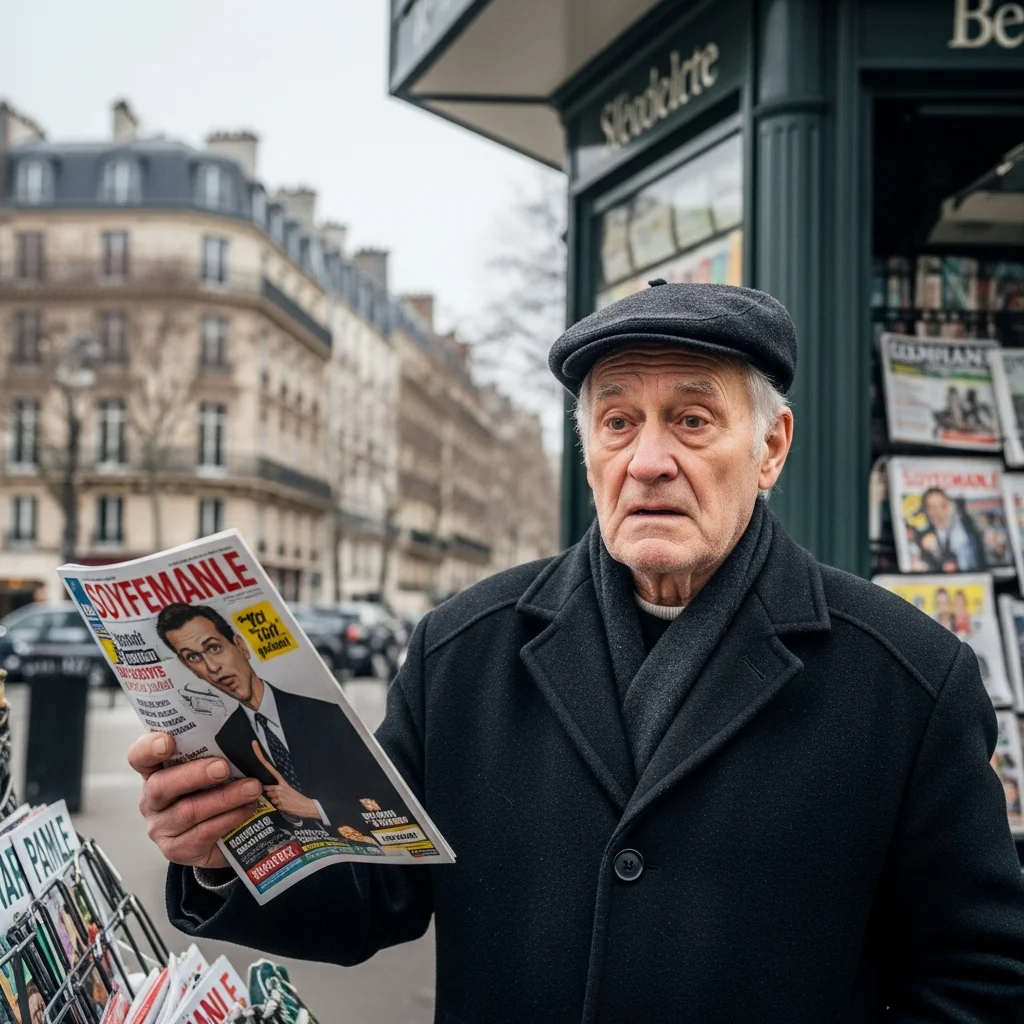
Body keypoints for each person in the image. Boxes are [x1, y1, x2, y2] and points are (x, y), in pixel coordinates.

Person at [131, 282, 1024, 1022]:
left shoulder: (908, 678)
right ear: (588, 451)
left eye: (694, 420)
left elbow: (978, 977)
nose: (649, 460)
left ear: (770, 450)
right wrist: (220, 851)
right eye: (619, 422)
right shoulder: (461, 649)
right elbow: (375, 892)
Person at [154, 602, 407, 836]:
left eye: (214, 648)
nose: (212, 667)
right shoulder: (226, 738)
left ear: (241, 646)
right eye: (194, 657)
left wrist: (314, 808)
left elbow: (382, 802)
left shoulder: (325, 714)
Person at [919, 486, 986, 571]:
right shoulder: (925, 539)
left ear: (950, 505)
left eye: (943, 506)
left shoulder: (969, 527)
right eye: (933, 508)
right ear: (926, 510)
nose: (938, 512)